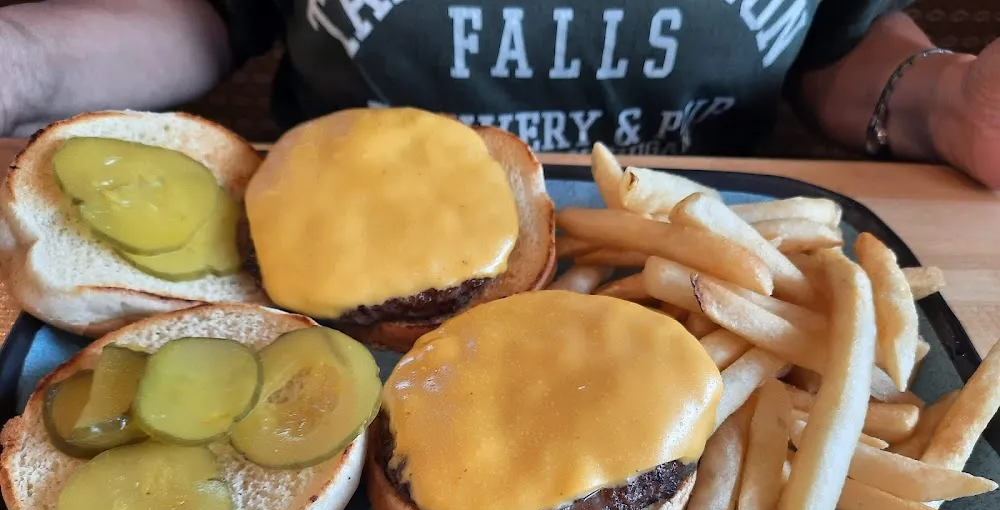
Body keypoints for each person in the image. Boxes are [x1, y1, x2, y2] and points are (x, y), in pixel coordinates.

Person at [1, 0, 998, 189]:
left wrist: (950, 102)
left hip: (692, 278)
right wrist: (26, 59)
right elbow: (210, 12)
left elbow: (837, 49)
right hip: (323, 278)